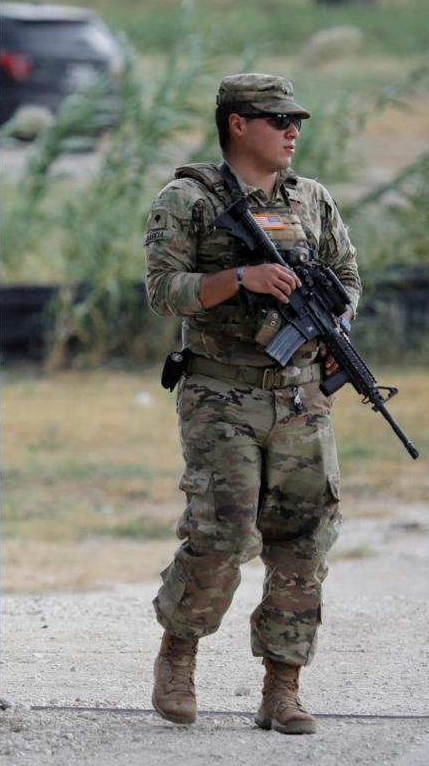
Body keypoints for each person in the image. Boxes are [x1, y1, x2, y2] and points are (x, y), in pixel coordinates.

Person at [143, 73, 361, 733]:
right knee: (223, 532)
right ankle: (179, 652)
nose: (293, 132)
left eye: (297, 122)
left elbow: (347, 275)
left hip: (300, 399)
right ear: (237, 124)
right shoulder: (189, 200)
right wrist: (241, 278)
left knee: (304, 536)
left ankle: (283, 688)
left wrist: (332, 327)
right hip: (222, 394)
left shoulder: (311, 200)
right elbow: (165, 290)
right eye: (279, 120)